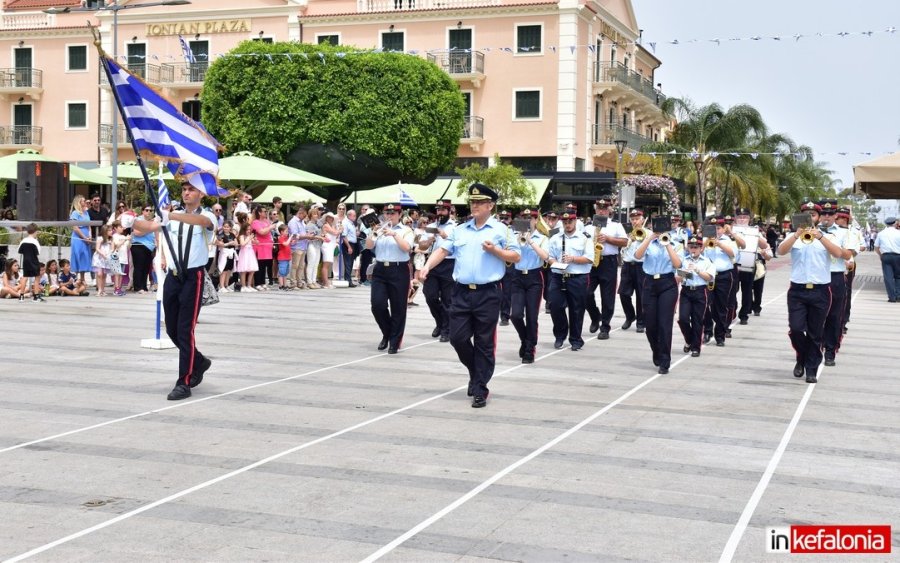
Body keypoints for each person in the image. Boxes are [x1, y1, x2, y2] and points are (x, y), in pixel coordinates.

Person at [417, 184, 521, 408]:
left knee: (484, 342)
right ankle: (475, 372)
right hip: (462, 292)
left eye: (479, 202)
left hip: (488, 293)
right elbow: (442, 250)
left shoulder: (502, 230)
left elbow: (516, 256)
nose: (473, 205)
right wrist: (427, 267)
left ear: (490, 205)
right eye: (472, 202)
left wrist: (496, 251)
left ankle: (481, 387)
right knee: (457, 338)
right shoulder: (460, 229)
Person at [132, 181, 216, 400]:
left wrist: (172, 216)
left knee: (185, 329)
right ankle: (199, 361)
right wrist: (133, 220)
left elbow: (203, 222)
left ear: (201, 194)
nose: (186, 193)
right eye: (184, 190)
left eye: (191, 190)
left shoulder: (207, 215)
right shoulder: (172, 216)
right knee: (171, 330)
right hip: (173, 276)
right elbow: (144, 228)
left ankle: (184, 382)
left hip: (193, 276)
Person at [777, 202, 846, 383]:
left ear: (818, 217)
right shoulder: (793, 236)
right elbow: (781, 251)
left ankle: (811, 368)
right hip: (798, 290)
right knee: (796, 328)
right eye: (806, 214)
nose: (810, 217)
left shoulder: (828, 236)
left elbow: (839, 254)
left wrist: (821, 237)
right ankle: (802, 356)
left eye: (813, 215)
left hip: (820, 290)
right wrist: (795, 235)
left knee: (816, 332)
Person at [634, 218, 682, 374]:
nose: (661, 231)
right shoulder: (649, 242)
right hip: (649, 283)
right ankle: (656, 350)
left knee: (664, 324)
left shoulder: (676, 243)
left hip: (667, 283)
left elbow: (678, 265)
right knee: (650, 325)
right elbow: (637, 255)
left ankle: (665, 360)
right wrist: (650, 237)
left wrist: (667, 244)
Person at [366, 202, 414, 354]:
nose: (389, 216)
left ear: (400, 215)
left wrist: (394, 234)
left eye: (393, 214)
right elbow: (368, 246)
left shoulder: (406, 230)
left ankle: (394, 340)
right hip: (380, 269)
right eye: (387, 213)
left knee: (398, 308)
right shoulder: (379, 229)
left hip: (399, 269)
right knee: (377, 305)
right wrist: (373, 232)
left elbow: (407, 248)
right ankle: (387, 333)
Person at [546, 210, 594, 351]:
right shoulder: (555, 237)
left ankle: (576, 339)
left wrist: (573, 259)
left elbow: (589, 258)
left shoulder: (585, 237)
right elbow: (550, 257)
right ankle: (560, 335)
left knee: (577, 309)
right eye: (565, 222)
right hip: (558, 276)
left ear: (576, 221)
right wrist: (555, 262)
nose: (567, 224)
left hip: (577, 277)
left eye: (570, 221)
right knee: (555, 306)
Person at [816, 200, 854, 367]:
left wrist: (830, 245)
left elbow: (848, 254)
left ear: (836, 215)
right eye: (823, 213)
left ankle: (830, 350)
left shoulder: (844, 233)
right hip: (815, 277)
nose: (826, 216)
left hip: (835, 276)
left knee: (834, 316)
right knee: (814, 317)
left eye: (830, 214)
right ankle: (814, 348)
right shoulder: (810, 231)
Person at [584, 199, 628, 340]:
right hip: (591, 262)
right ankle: (595, 316)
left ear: (609, 210)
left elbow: (625, 241)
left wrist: (608, 239)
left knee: (607, 296)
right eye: (599, 208)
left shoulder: (615, 225)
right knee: (585, 293)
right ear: (595, 209)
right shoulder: (588, 227)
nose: (602, 211)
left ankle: (605, 327)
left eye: (604, 208)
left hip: (608, 262)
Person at [510, 209, 549, 363]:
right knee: (516, 315)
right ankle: (525, 339)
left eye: (530, 218)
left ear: (536, 220)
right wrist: (518, 239)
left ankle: (529, 349)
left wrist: (530, 241)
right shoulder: (514, 237)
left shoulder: (542, 238)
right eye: (524, 218)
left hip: (534, 276)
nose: (527, 220)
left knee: (532, 317)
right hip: (518, 276)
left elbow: (545, 256)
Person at [422, 199, 456, 342]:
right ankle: (440, 322)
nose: (440, 213)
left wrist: (444, 235)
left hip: (449, 263)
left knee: (448, 299)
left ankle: (446, 329)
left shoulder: (455, 227)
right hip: (433, 263)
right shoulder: (430, 226)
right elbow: (422, 246)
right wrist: (430, 240)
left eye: (443, 210)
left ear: (449, 211)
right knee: (430, 296)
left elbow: (458, 244)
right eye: (438, 210)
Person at [677, 235, 716, 357]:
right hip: (686, 291)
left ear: (701, 249)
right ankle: (689, 340)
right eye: (691, 247)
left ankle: (696, 347)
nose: (693, 249)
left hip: (700, 291)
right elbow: (677, 278)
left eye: (696, 247)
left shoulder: (706, 261)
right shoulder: (683, 260)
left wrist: (698, 270)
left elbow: (709, 278)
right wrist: (686, 273)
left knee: (697, 320)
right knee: (683, 319)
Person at [702, 216, 737, 347]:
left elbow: (734, 254)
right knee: (705, 305)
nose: (716, 231)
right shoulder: (704, 240)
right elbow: (696, 254)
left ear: (723, 229)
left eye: (718, 228)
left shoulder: (729, 240)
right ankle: (707, 330)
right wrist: (706, 243)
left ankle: (720, 335)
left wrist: (720, 243)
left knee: (721, 307)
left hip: (723, 276)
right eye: (713, 228)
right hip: (707, 276)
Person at [732, 207, 770, 324]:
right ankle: (732, 311)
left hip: (749, 263)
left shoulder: (754, 230)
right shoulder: (730, 229)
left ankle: (744, 315)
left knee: (747, 291)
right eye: (740, 217)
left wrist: (756, 235)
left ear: (749, 218)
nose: (742, 219)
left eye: (745, 217)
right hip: (733, 265)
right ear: (736, 218)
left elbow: (764, 246)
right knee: (732, 291)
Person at [618, 209, 646, 334]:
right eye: (633, 219)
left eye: (637, 219)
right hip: (628, 265)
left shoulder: (648, 233)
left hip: (642, 266)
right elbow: (622, 248)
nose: (635, 221)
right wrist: (629, 240)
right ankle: (630, 316)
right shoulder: (627, 233)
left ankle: (641, 321)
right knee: (623, 293)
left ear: (642, 219)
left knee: (641, 295)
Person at [131, 205, 158, 294]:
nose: (149, 212)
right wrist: (149, 228)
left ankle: (144, 286)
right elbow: (137, 233)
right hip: (139, 245)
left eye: (151, 210)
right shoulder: (138, 220)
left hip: (150, 247)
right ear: (142, 211)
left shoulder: (153, 221)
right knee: (139, 267)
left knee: (146, 268)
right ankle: (138, 287)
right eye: (147, 210)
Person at [68, 195, 93, 285]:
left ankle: (82, 278)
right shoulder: (75, 213)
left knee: (84, 256)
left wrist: (89, 236)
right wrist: (84, 237)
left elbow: (89, 225)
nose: (85, 202)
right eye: (83, 201)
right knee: (77, 255)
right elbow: (75, 228)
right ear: (79, 202)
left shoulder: (86, 213)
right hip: (78, 238)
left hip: (86, 236)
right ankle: (75, 277)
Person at [874, 216, 900, 302]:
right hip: (898, 256)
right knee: (898, 277)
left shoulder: (881, 233)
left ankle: (891, 297)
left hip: (886, 256)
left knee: (888, 277)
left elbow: (876, 247)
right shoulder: (898, 233)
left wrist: (881, 255)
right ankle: (898, 295)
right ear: (895, 223)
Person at [17, 223, 44, 302]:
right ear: (35, 231)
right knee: (37, 277)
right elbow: (38, 252)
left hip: (25, 261)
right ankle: (36, 296)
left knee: (25, 277)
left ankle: (21, 296)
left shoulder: (23, 241)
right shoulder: (35, 241)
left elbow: (20, 251)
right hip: (34, 261)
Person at [250, 206, 275, 290]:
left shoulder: (267, 221)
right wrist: (270, 227)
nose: (266, 213)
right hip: (260, 246)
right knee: (259, 265)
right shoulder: (255, 222)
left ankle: (263, 282)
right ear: (259, 213)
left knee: (265, 265)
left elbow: (268, 233)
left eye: (266, 211)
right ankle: (257, 283)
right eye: (264, 211)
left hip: (267, 246)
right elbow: (261, 232)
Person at [497, 210, 514, 325]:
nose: (503, 220)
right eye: (502, 217)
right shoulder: (494, 231)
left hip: (509, 264)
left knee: (507, 292)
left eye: (506, 218)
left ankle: (505, 316)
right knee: (496, 292)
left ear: (510, 219)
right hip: (496, 264)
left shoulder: (513, 232)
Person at [235, 221, 259, 292]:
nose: (249, 231)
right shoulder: (242, 236)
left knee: (252, 269)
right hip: (244, 253)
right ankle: (243, 286)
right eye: (247, 229)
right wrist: (249, 238)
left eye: (249, 229)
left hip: (250, 253)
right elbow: (242, 244)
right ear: (244, 229)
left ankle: (249, 285)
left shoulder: (250, 236)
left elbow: (257, 243)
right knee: (244, 270)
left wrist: (255, 240)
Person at [321, 212, 341, 289]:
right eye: (328, 217)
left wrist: (339, 230)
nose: (330, 218)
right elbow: (335, 233)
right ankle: (326, 283)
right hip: (327, 246)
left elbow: (336, 234)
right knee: (326, 265)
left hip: (331, 246)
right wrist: (340, 230)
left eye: (331, 217)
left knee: (328, 265)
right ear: (326, 218)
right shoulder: (326, 225)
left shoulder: (332, 226)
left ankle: (326, 282)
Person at [216, 220, 238, 291]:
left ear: (230, 228)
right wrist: (229, 243)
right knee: (223, 270)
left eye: (227, 227)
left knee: (229, 270)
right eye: (224, 227)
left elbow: (236, 243)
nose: (226, 228)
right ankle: (221, 286)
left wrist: (233, 243)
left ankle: (226, 285)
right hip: (224, 253)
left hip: (231, 253)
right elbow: (220, 245)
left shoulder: (232, 235)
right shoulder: (221, 235)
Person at [341, 208, 358, 286]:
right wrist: (349, 247)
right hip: (348, 244)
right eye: (354, 215)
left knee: (350, 262)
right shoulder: (345, 223)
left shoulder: (351, 223)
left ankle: (348, 280)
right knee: (348, 262)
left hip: (352, 244)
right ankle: (348, 280)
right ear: (349, 215)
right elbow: (344, 236)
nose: (355, 217)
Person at [276, 223, 293, 290]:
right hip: (282, 257)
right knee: (281, 272)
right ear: (281, 232)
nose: (287, 232)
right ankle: (281, 285)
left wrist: (294, 239)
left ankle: (285, 284)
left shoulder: (286, 238)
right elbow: (285, 244)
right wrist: (290, 237)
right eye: (286, 231)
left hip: (287, 257)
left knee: (285, 272)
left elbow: (291, 243)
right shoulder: (281, 238)